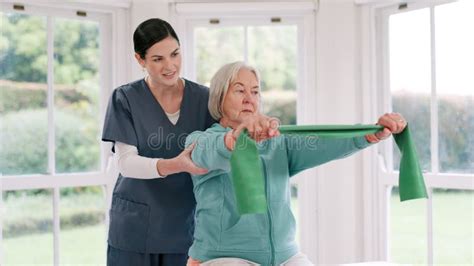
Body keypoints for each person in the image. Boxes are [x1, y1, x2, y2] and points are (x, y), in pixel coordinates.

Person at [184, 61, 406, 266]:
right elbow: (211, 150)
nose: (249, 99)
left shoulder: (277, 142)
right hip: (224, 256)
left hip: (285, 255)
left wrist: (370, 134)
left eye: (255, 91)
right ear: (219, 97)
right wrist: (235, 138)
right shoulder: (201, 141)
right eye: (240, 90)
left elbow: (323, 143)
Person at [102, 19, 276, 266]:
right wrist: (177, 164)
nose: (170, 65)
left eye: (175, 54)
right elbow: (125, 163)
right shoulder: (125, 98)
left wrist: (258, 121)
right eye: (158, 59)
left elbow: (229, 129)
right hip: (134, 228)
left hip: (185, 228)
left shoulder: (203, 99)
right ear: (140, 60)